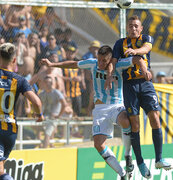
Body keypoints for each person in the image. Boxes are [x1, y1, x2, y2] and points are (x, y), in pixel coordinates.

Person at [40, 45, 149, 179]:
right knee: (98, 145)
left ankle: (128, 156)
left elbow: (137, 58)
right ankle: (122, 174)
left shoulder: (119, 65)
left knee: (126, 121)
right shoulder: (92, 64)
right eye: (99, 59)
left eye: (104, 61)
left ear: (111, 60)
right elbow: (74, 64)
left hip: (116, 105)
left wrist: (144, 69)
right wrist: (52, 64)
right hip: (99, 110)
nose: (101, 63)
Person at [105, 15, 172, 179]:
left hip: (146, 84)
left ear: (141, 28)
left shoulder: (146, 39)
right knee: (135, 125)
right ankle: (140, 162)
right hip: (129, 86)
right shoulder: (120, 43)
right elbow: (113, 61)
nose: (133, 29)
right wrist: (109, 74)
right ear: (127, 28)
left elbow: (146, 49)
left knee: (155, 118)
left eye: (136, 26)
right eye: (130, 26)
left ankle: (158, 159)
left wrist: (135, 51)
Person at [0, 42, 44, 180]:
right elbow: (36, 102)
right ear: (14, 60)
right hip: (10, 131)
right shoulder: (20, 80)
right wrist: (39, 115)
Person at [39, 76, 69, 148]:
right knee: (38, 129)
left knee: (47, 133)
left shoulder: (56, 93)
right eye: (46, 82)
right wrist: (39, 114)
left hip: (53, 117)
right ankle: (48, 145)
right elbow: (38, 104)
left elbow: (64, 104)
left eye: (50, 82)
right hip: (45, 116)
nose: (48, 84)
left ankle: (44, 151)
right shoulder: (42, 93)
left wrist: (59, 115)